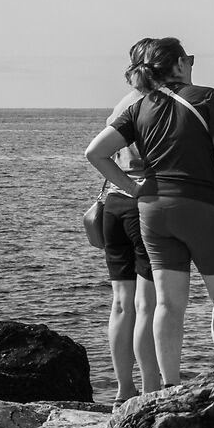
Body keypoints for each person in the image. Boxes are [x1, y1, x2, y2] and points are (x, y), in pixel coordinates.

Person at [82, 36, 214, 385]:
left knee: (168, 305)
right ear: (178, 64)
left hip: (151, 211)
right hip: (197, 205)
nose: (191, 63)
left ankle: (168, 387)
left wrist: (131, 188)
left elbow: (95, 152)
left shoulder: (137, 107)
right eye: (188, 58)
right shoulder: (206, 97)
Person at [88, 43, 161, 400]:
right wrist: (136, 186)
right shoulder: (151, 105)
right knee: (147, 304)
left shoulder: (121, 103)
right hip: (139, 204)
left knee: (120, 303)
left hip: (113, 207)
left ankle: (123, 389)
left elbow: (102, 154)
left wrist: (124, 186)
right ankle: (150, 389)